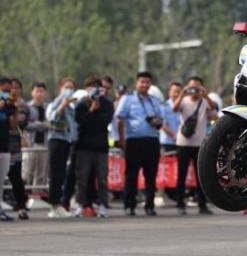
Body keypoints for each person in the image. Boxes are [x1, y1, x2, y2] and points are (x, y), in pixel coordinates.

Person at [116, 71, 170, 216]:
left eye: (147, 82)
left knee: (151, 175)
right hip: (134, 140)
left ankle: (149, 205)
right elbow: (120, 119)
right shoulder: (127, 99)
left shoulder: (154, 100)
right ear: (137, 83)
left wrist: (157, 122)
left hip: (151, 140)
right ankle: (129, 205)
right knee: (131, 174)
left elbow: (160, 119)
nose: (144, 85)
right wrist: (121, 139)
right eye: (142, 82)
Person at [172, 77, 217, 215]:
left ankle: (202, 205)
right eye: (192, 87)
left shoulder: (204, 102)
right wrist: (182, 93)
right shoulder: (184, 100)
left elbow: (214, 108)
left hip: (199, 144)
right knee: (182, 174)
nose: (194, 91)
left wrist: (206, 95)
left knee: (200, 176)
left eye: (197, 88)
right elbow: (173, 108)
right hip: (183, 143)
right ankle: (180, 204)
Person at [74, 76, 114, 218]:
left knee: (102, 179)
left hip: (101, 147)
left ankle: (103, 205)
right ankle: (81, 205)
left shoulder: (107, 104)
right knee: (82, 179)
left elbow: (103, 123)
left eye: (97, 87)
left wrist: (94, 112)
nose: (94, 91)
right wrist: (91, 110)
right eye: (90, 87)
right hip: (84, 147)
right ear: (86, 89)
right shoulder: (81, 104)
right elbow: (81, 122)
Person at [46, 77, 77, 218]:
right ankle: (53, 206)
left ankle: (57, 204)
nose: (69, 90)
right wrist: (62, 105)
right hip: (56, 140)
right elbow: (52, 118)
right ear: (61, 88)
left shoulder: (71, 106)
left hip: (66, 141)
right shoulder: (58, 101)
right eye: (66, 87)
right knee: (55, 174)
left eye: (71, 88)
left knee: (60, 174)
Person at [8, 78, 29, 219]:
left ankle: (21, 205)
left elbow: (18, 124)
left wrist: (12, 109)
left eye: (17, 88)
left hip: (14, 146)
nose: (14, 90)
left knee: (16, 177)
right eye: (11, 88)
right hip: (2, 144)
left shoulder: (22, 105)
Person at [23, 83, 49, 192]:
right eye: (37, 91)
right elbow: (25, 125)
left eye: (42, 91)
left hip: (44, 143)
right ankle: (23, 194)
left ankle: (37, 195)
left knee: (41, 172)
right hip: (30, 143)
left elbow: (53, 124)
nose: (39, 94)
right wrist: (43, 125)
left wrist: (36, 124)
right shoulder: (26, 107)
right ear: (32, 93)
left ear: (45, 93)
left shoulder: (48, 108)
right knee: (27, 171)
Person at [0, 77, 17, 221]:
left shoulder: (9, 105)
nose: (7, 92)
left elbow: (13, 125)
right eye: (4, 90)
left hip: (4, 146)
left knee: (1, 180)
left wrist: (14, 108)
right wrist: (3, 102)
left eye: (8, 90)